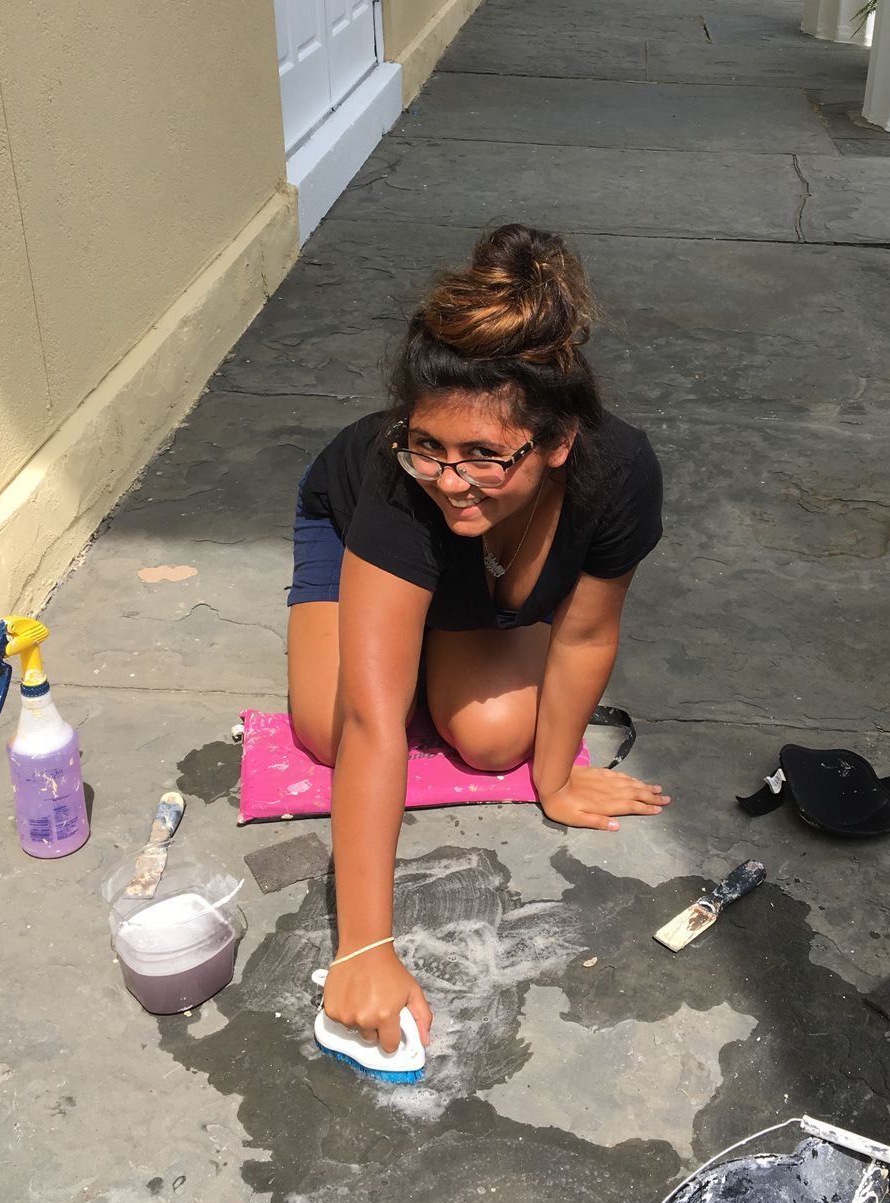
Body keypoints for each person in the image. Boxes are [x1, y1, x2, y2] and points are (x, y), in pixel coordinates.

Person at [286, 223, 667, 1053]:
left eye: (487, 455)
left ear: (558, 442)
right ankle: (397, 618)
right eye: (431, 446)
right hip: (354, 527)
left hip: (483, 580)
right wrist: (364, 946)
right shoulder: (398, 481)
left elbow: (586, 633)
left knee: (499, 741)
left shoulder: (620, 474)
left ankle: (427, 630)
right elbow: (371, 723)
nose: (453, 481)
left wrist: (558, 777)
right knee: (325, 727)